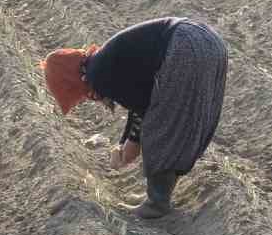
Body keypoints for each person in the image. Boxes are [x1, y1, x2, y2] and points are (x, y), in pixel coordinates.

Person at [42, 18, 228, 219]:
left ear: (69, 80)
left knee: (161, 125)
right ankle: (158, 194)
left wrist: (131, 144)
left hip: (186, 46)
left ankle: (157, 203)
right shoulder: (102, 63)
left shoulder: (98, 74)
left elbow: (144, 107)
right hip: (210, 42)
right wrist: (125, 143)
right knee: (179, 121)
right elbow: (140, 99)